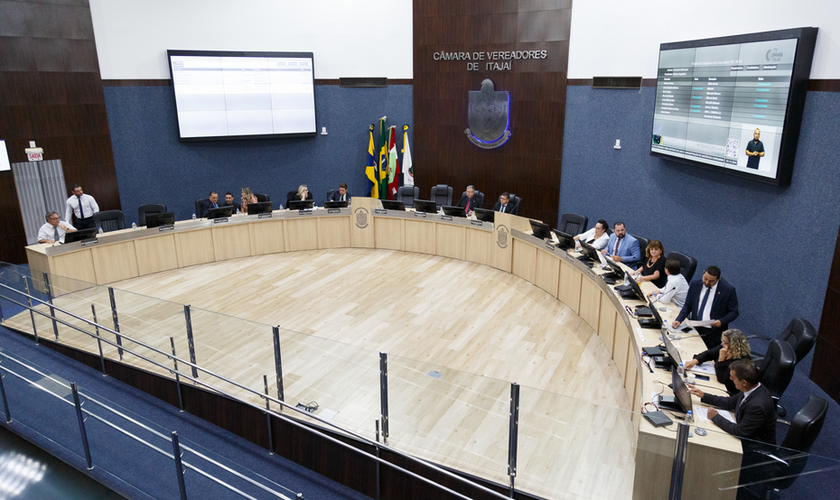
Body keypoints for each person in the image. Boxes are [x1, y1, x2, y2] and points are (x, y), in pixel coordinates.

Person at [671, 265, 739, 349]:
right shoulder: (695, 284)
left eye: (711, 281)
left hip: (713, 333)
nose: (707, 283)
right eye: (705, 279)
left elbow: (734, 312)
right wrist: (679, 319)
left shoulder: (728, 290)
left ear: (718, 279)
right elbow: (688, 305)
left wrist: (722, 321)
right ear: (703, 273)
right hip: (695, 328)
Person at [684, 329, 751, 394]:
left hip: (729, 390)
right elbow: (708, 354)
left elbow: (722, 379)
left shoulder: (741, 360)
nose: (722, 344)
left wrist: (721, 359)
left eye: (725, 342)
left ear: (733, 344)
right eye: (722, 341)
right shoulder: (725, 347)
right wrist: (694, 361)